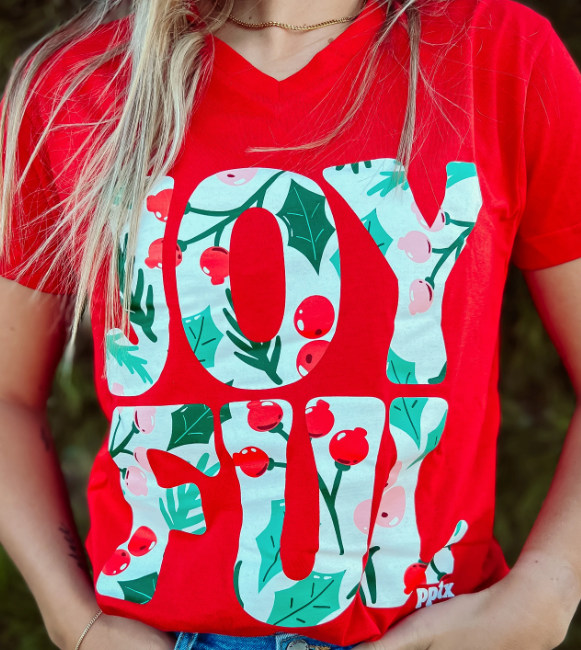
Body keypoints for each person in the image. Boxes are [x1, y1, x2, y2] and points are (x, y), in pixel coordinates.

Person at [1, 0, 581, 649]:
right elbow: (8, 397)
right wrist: (72, 618)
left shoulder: (495, 55)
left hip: (428, 630)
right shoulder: (76, 87)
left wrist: (548, 590)